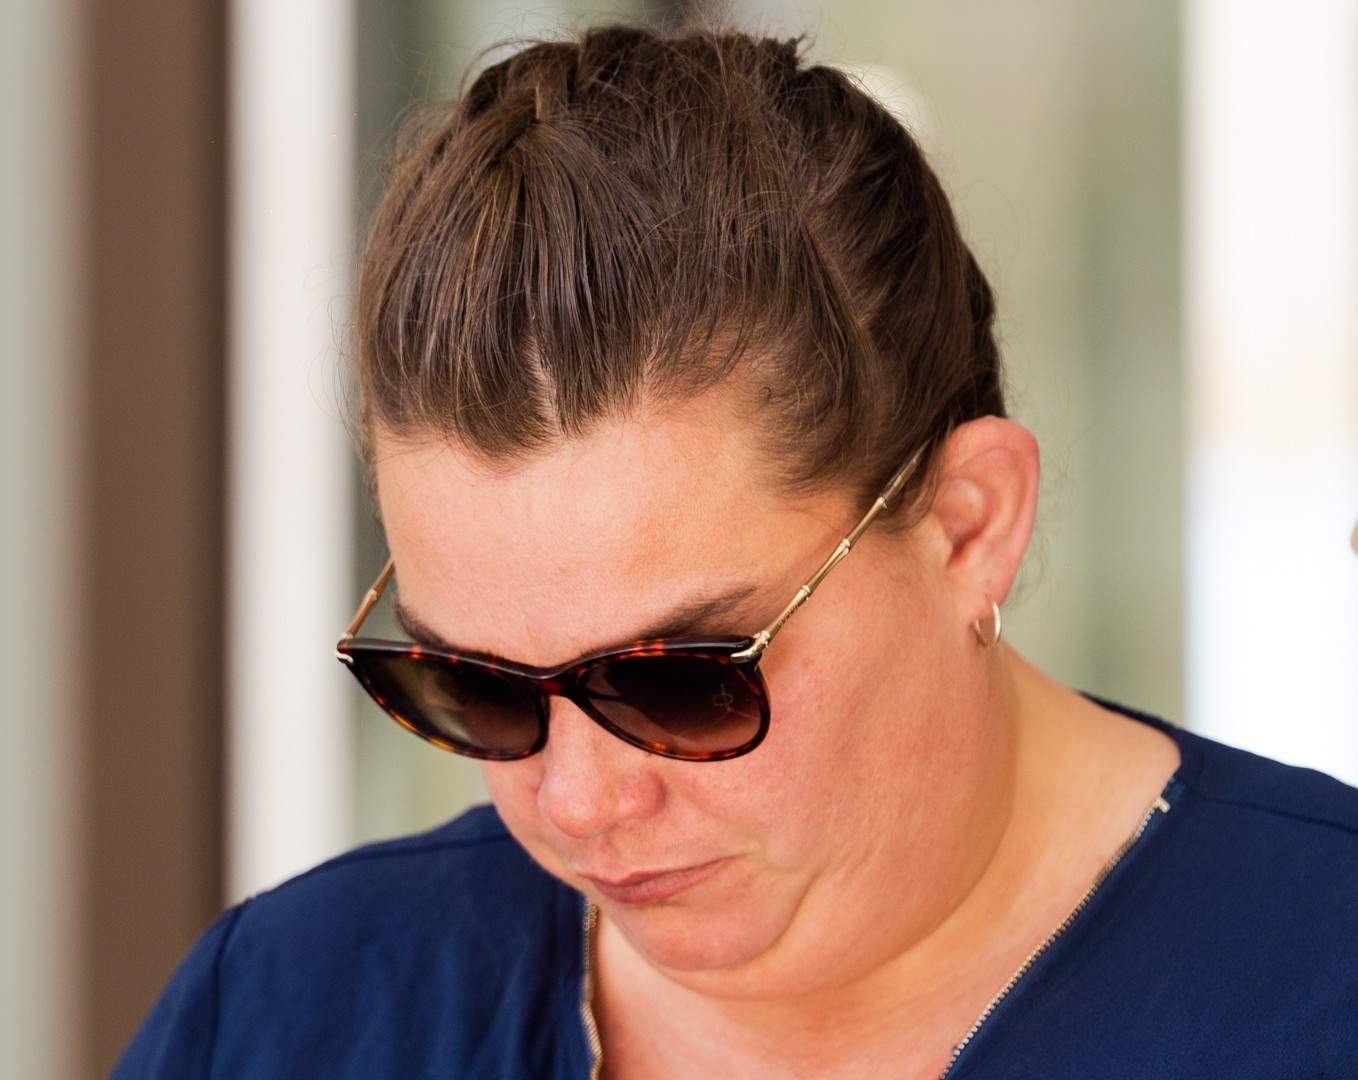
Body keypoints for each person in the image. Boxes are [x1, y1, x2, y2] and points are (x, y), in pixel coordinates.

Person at [114, 22, 1358, 1079]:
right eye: (477, 689)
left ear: (968, 526)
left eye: (679, 678)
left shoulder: (1317, 986)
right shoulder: (291, 1014)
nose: (581, 803)